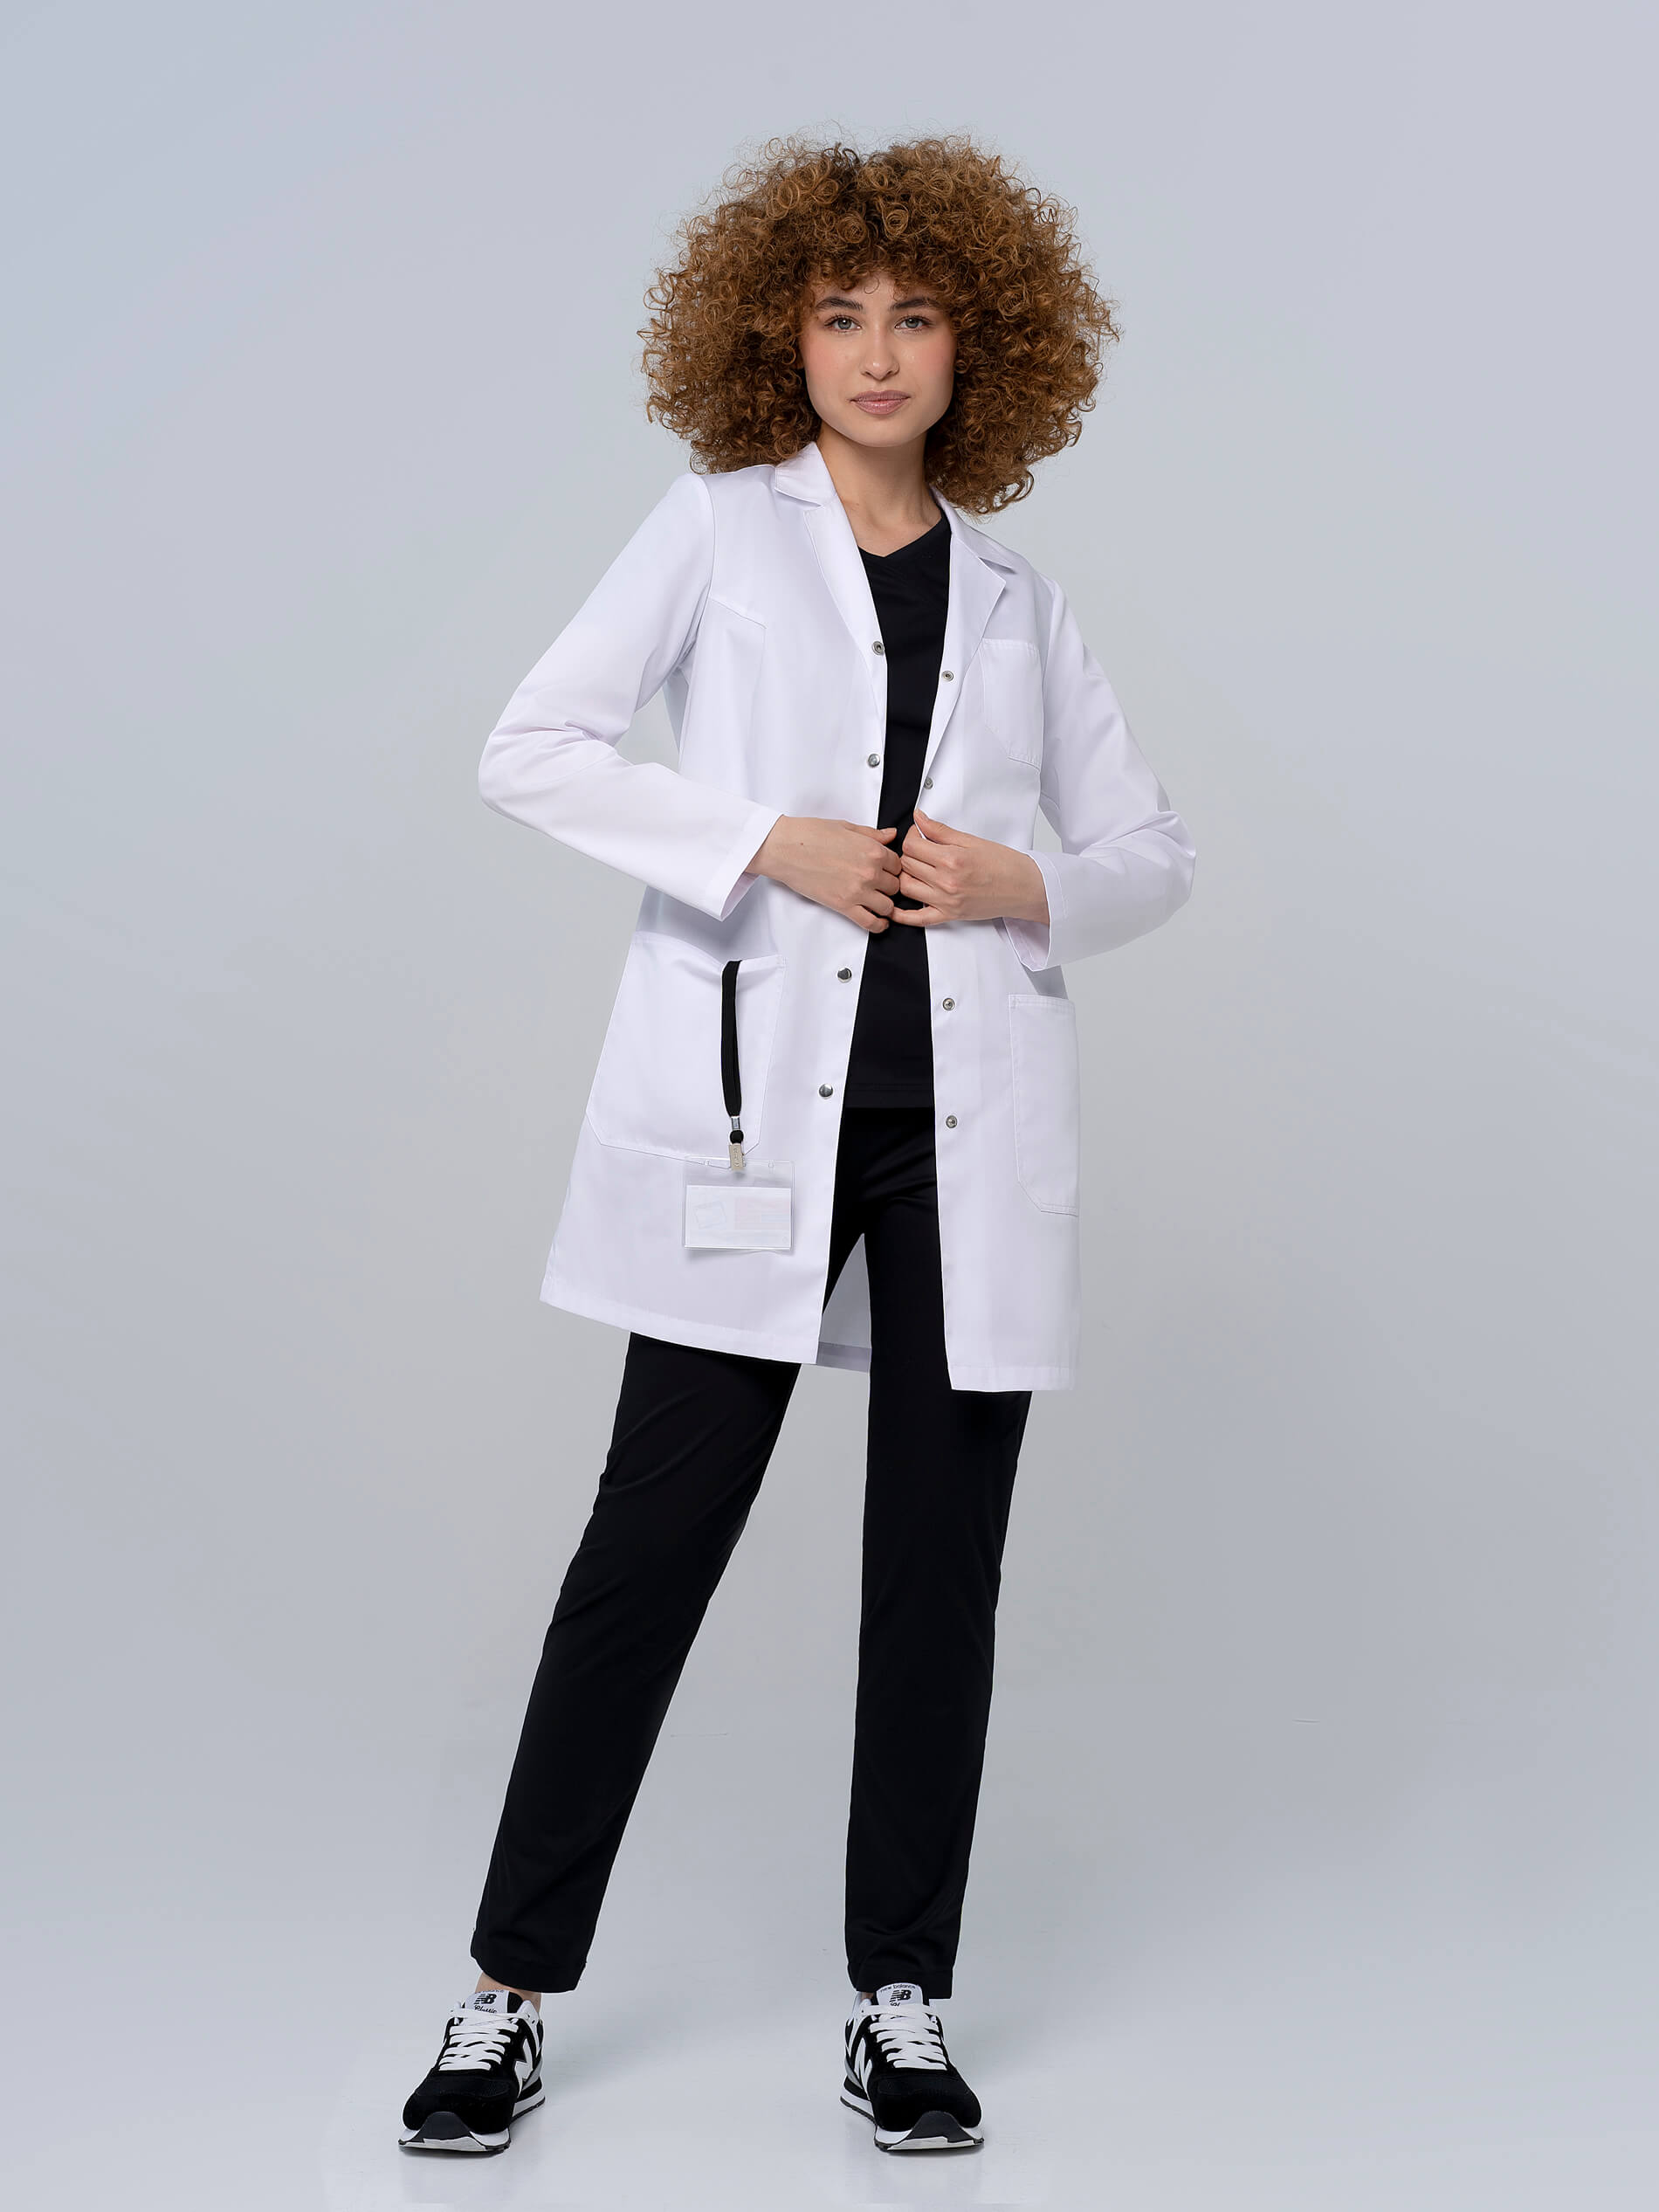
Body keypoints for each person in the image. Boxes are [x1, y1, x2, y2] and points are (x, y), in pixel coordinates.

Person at [399, 134, 1195, 2160]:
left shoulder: (1016, 600)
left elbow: (1148, 850)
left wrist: (1023, 879)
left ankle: (898, 1999)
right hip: (749, 1116)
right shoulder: (711, 534)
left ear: (979, 346)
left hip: (961, 1140)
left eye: (914, 316)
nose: (876, 351)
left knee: (936, 1575)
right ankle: (505, 1992)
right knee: (646, 1549)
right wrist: (763, 840)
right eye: (840, 315)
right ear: (780, 334)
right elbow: (529, 748)